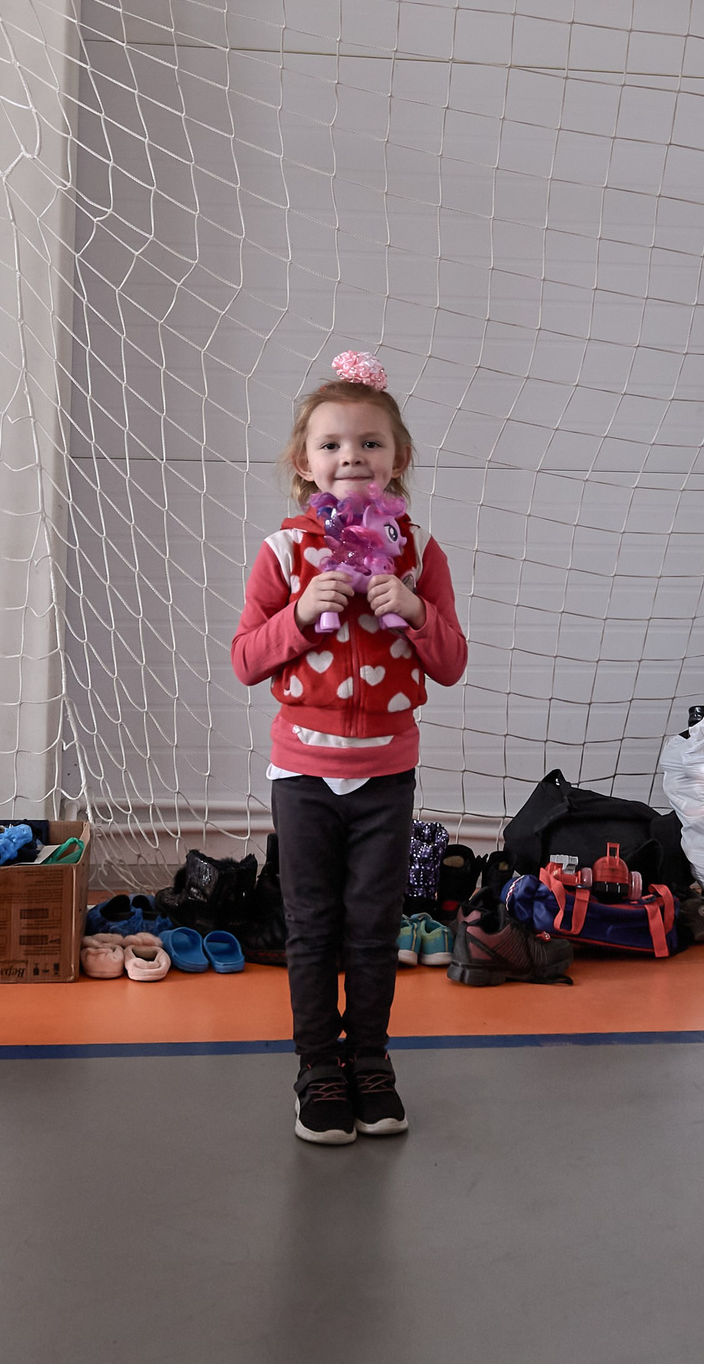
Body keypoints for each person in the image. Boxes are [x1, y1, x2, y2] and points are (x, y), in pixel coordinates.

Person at [229, 350, 468, 1144]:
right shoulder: (283, 552)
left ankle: (371, 1064)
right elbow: (245, 659)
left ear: (397, 458)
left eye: (369, 443)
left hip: (387, 773)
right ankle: (315, 1071)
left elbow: (451, 662)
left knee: (373, 926)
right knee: (312, 925)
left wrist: (411, 608)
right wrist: (297, 617)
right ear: (304, 462)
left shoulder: (418, 549)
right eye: (332, 444)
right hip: (302, 770)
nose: (351, 458)